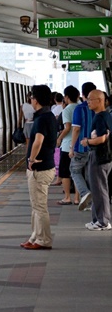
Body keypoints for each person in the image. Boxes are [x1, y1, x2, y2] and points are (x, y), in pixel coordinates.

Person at [20, 84, 57, 250]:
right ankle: (35, 236)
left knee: (40, 207)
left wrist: (32, 159)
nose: (31, 100)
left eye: (32, 97)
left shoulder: (42, 119)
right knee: (36, 206)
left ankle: (43, 240)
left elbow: (38, 141)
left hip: (40, 169)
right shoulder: (48, 116)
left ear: (36, 99)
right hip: (45, 167)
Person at [81, 90, 112, 231]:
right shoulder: (106, 116)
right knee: (97, 189)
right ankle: (96, 219)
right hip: (105, 157)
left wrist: (88, 141)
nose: (87, 102)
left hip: (99, 157)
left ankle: (103, 221)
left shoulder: (100, 117)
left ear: (100, 100)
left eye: (90, 99)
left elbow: (102, 138)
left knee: (100, 189)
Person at [69, 82, 96, 212]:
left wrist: (71, 147)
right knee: (89, 174)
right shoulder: (100, 109)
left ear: (83, 94)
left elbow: (76, 129)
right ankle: (92, 203)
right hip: (96, 148)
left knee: (74, 171)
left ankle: (84, 193)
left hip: (81, 148)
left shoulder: (80, 109)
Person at [56, 86, 79, 205]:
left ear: (67, 97)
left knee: (65, 172)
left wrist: (59, 138)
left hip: (67, 146)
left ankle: (67, 197)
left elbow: (68, 127)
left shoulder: (67, 110)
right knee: (77, 172)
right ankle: (77, 198)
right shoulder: (81, 108)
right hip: (79, 145)